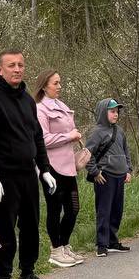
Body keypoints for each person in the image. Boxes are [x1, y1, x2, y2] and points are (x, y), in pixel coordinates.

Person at [0, 48, 58, 279]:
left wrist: (44, 169)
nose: (17, 69)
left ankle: (28, 273)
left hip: (27, 174)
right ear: (0, 69)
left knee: (31, 225)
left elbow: (37, 137)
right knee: (4, 230)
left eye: (21, 65)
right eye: (11, 65)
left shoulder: (27, 100)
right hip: (3, 177)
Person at [34, 69, 84, 268]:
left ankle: (64, 244)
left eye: (60, 82)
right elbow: (42, 139)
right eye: (55, 83)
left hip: (68, 165)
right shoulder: (39, 109)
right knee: (54, 209)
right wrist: (69, 136)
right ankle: (56, 250)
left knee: (73, 208)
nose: (59, 86)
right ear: (44, 85)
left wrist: (73, 134)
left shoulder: (62, 105)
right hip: (51, 167)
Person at [86, 98, 133, 256]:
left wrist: (128, 170)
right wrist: (95, 172)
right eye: (112, 111)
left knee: (117, 210)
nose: (116, 114)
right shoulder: (97, 132)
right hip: (105, 176)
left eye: (117, 111)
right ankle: (102, 244)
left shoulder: (119, 131)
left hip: (120, 175)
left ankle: (113, 241)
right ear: (103, 112)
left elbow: (126, 151)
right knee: (104, 211)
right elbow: (87, 154)